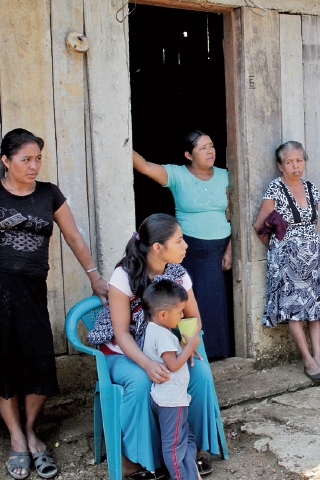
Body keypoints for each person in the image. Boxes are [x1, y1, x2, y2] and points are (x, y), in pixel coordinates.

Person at [0, 128, 109, 480]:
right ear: (6, 161)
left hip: (32, 292)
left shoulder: (49, 194)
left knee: (39, 361)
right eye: (26, 159)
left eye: (38, 159)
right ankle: (17, 439)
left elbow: (74, 237)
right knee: (4, 364)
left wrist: (94, 277)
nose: (34, 166)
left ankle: (30, 430)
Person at [87, 213, 221, 479]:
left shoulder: (177, 273)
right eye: (179, 241)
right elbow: (121, 333)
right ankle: (135, 460)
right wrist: (147, 364)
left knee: (199, 374)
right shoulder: (124, 275)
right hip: (122, 351)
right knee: (141, 381)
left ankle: (188, 453)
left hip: (163, 346)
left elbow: (193, 317)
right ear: (158, 247)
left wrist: (187, 342)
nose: (185, 246)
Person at [133, 130, 232, 359]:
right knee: (188, 304)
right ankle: (189, 352)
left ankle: (217, 354)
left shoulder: (226, 175)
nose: (210, 151)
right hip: (188, 251)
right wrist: (121, 141)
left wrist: (231, 248)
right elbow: (145, 167)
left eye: (211, 145)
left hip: (219, 251)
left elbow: (238, 212)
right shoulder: (177, 175)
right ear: (188, 154)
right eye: (202, 148)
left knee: (217, 304)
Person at [253, 141, 320, 383]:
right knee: (295, 309)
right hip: (287, 260)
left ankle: (319, 358)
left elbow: (312, 222)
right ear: (280, 165)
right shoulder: (275, 189)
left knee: (315, 309)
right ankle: (308, 361)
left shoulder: (311, 188)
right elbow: (259, 225)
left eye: (299, 160)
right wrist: (280, 248)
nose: (295, 166)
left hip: (312, 259)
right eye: (289, 162)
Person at [142, 280, 202, 480]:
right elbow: (173, 364)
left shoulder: (155, 329)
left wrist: (184, 346)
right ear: (162, 315)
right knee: (174, 445)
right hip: (171, 401)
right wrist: (190, 346)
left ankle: (192, 474)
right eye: (179, 312)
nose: (182, 316)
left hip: (171, 398)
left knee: (186, 438)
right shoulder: (163, 335)